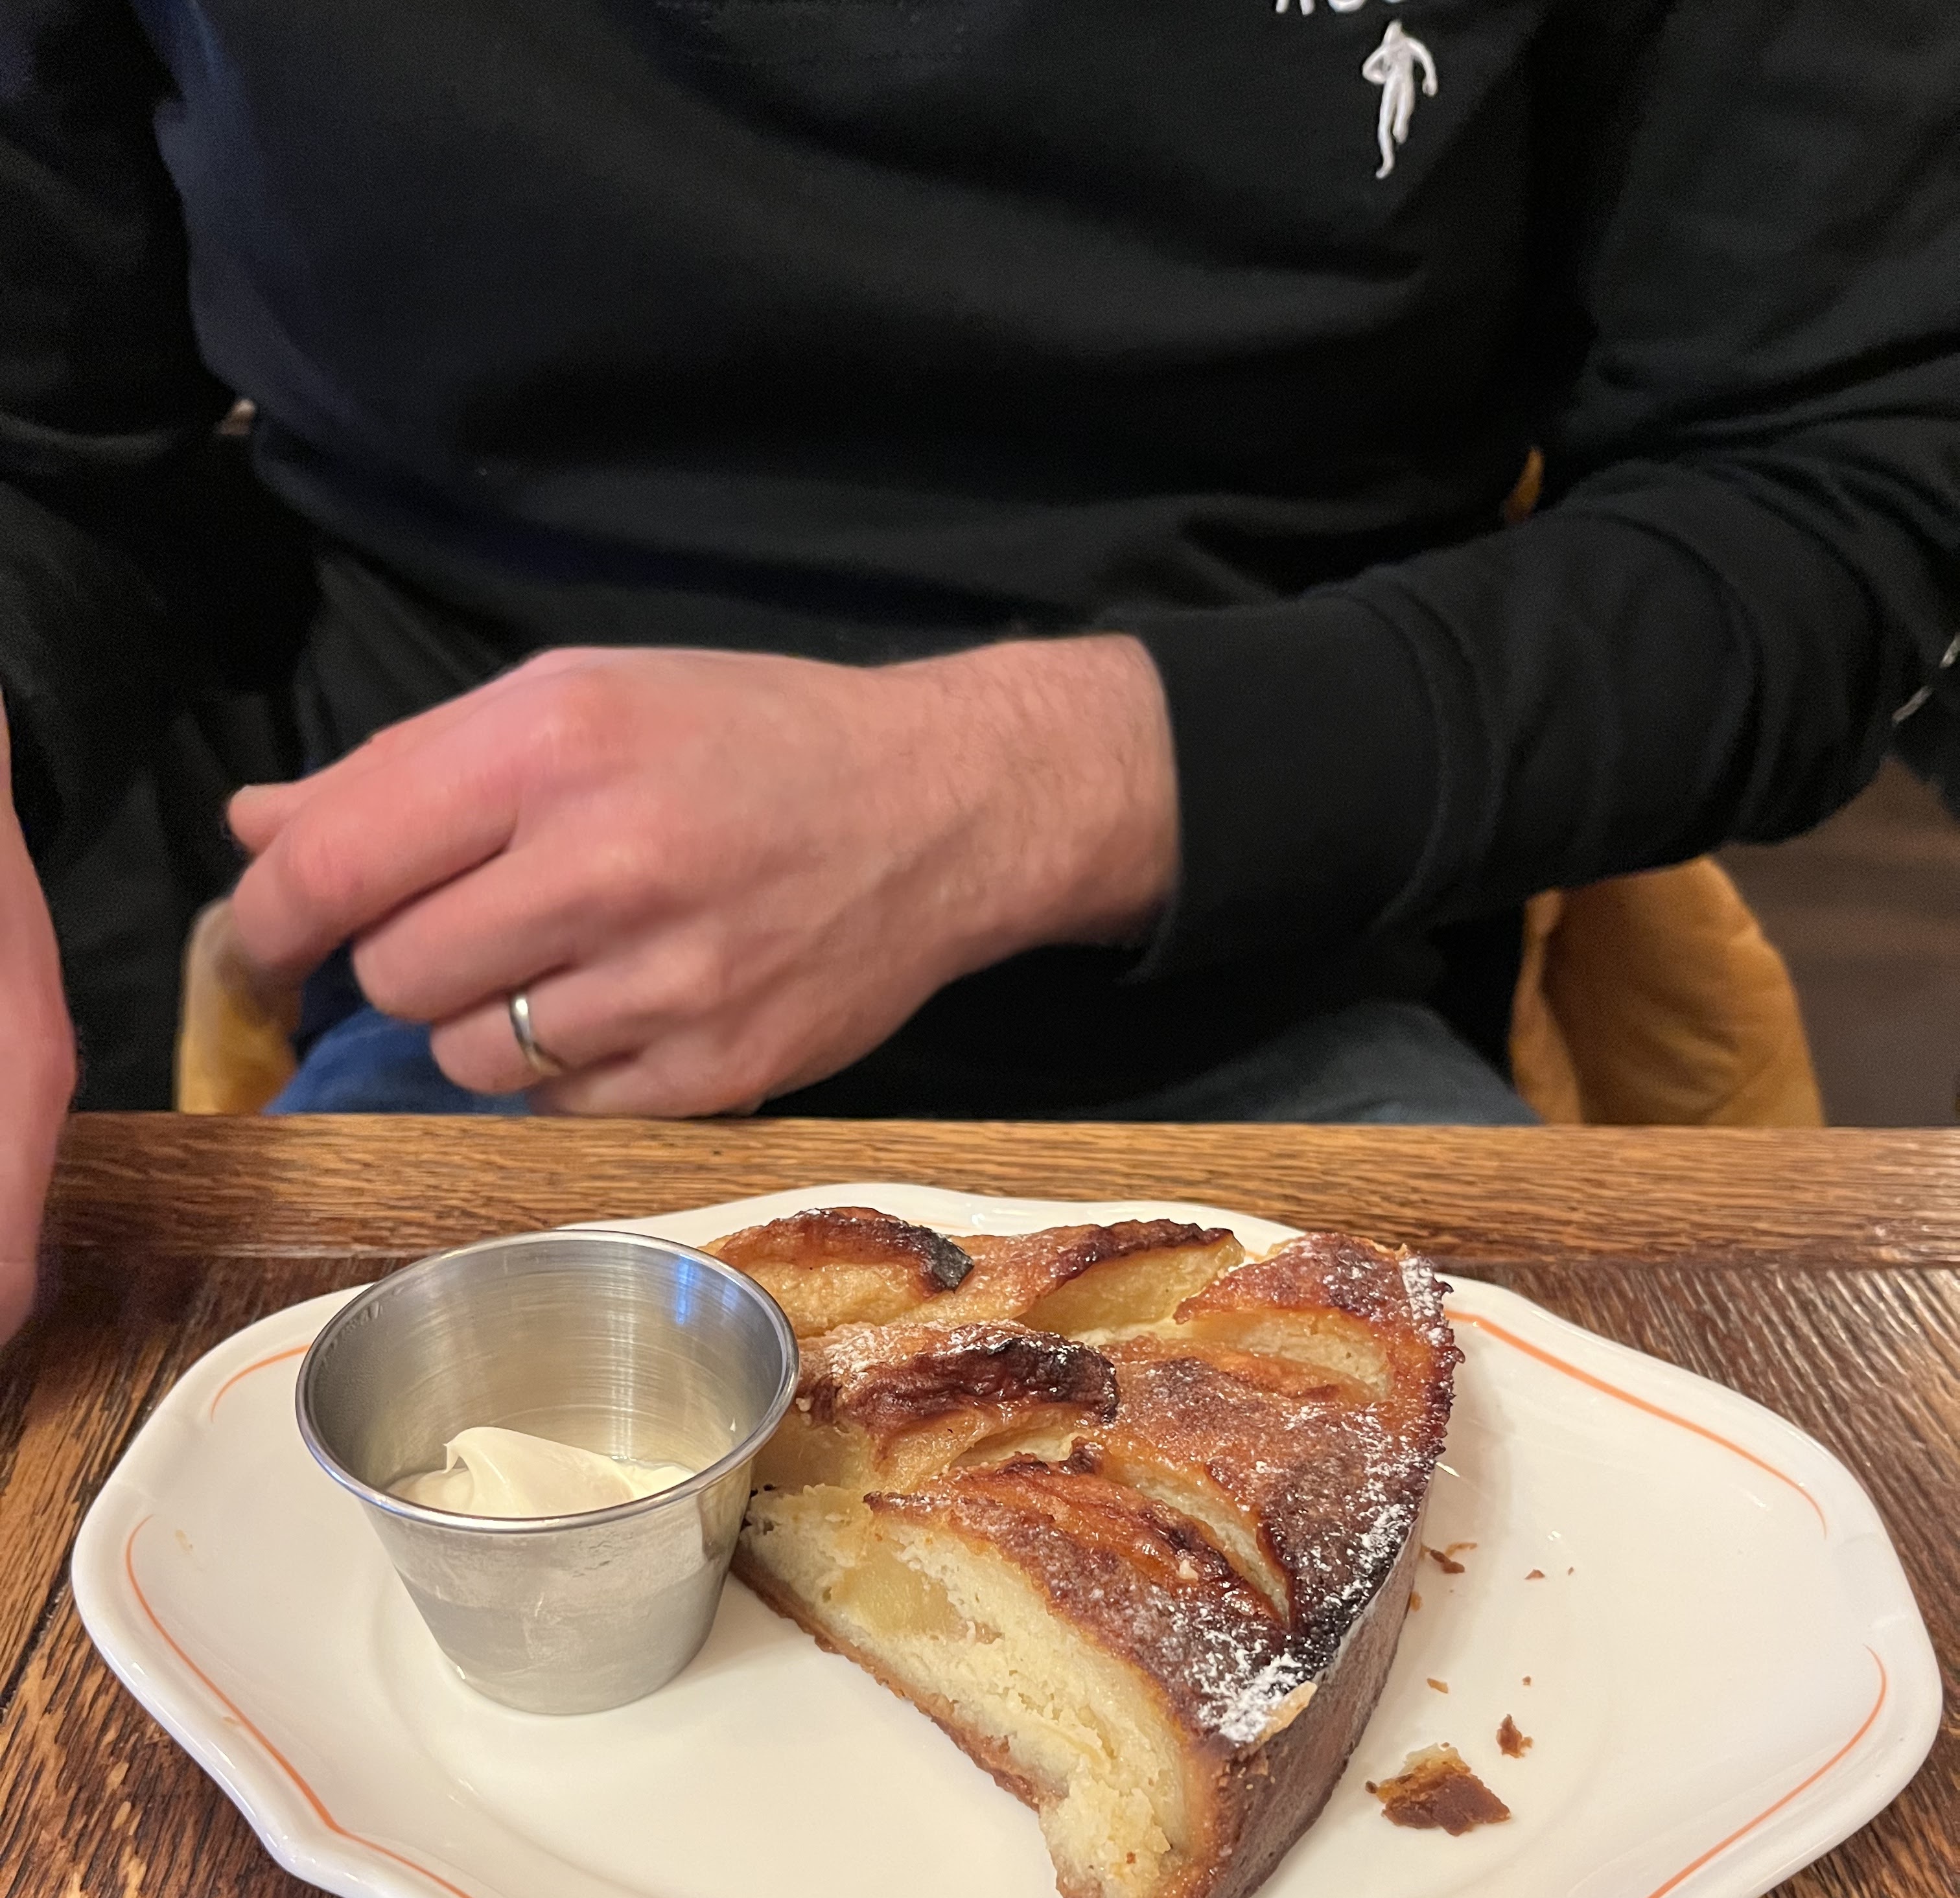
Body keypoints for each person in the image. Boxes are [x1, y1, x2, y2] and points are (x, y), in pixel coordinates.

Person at [3, 1, 1956, 1341]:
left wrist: (1012, 788)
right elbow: (47, 434)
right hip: (466, 1031)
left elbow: (1838, 491)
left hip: (1277, 995)